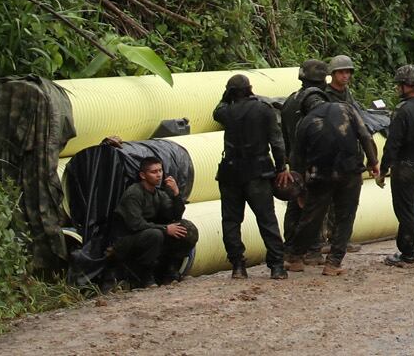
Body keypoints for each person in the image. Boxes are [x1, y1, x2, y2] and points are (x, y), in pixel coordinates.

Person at [292, 56, 376, 275]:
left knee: (311, 216)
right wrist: (374, 163)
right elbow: (365, 136)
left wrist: (300, 189)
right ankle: (333, 264)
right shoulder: (346, 109)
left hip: (320, 176)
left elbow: (297, 160)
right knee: (345, 217)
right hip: (350, 172)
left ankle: (294, 257)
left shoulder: (305, 123)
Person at [212, 73, 287, 280]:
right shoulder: (265, 110)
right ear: (250, 88)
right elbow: (277, 142)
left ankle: (238, 266)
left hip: (231, 172)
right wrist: (281, 168)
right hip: (258, 171)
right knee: (267, 219)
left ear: (230, 92)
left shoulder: (226, 111)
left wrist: (227, 96)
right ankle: (277, 266)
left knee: (231, 220)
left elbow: (217, 111)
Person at [378, 64, 414, 267]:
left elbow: (392, 144)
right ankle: (409, 250)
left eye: (399, 85)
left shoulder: (402, 111)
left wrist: (383, 169)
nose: (397, 89)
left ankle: (410, 253)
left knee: (406, 211)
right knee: (411, 208)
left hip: (404, 167)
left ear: (406, 85)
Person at [110, 155, 196, 288]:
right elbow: (135, 225)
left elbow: (175, 215)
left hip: (150, 234)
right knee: (156, 234)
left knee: (187, 229)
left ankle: (170, 272)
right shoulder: (134, 193)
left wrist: (176, 194)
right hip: (125, 240)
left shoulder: (158, 193)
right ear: (143, 175)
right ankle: (145, 277)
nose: (159, 175)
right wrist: (165, 229)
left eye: (160, 171)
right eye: (154, 172)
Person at [280, 58, 332, 263]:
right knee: (315, 204)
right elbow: (322, 130)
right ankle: (312, 249)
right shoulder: (315, 100)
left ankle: (291, 247)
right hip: (313, 161)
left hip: (295, 160)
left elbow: (284, 134)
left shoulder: (291, 99)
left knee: (295, 204)